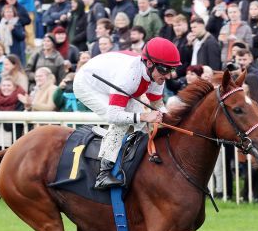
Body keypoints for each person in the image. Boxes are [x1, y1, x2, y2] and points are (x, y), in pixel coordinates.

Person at [73, 37, 180, 189]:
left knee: (141, 125)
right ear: (149, 63)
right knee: (123, 122)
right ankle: (103, 173)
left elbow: (157, 106)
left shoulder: (157, 76)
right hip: (87, 84)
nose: (169, 76)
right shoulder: (129, 76)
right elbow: (114, 116)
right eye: (165, 69)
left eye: (172, 70)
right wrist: (143, 116)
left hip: (113, 81)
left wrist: (172, 121)